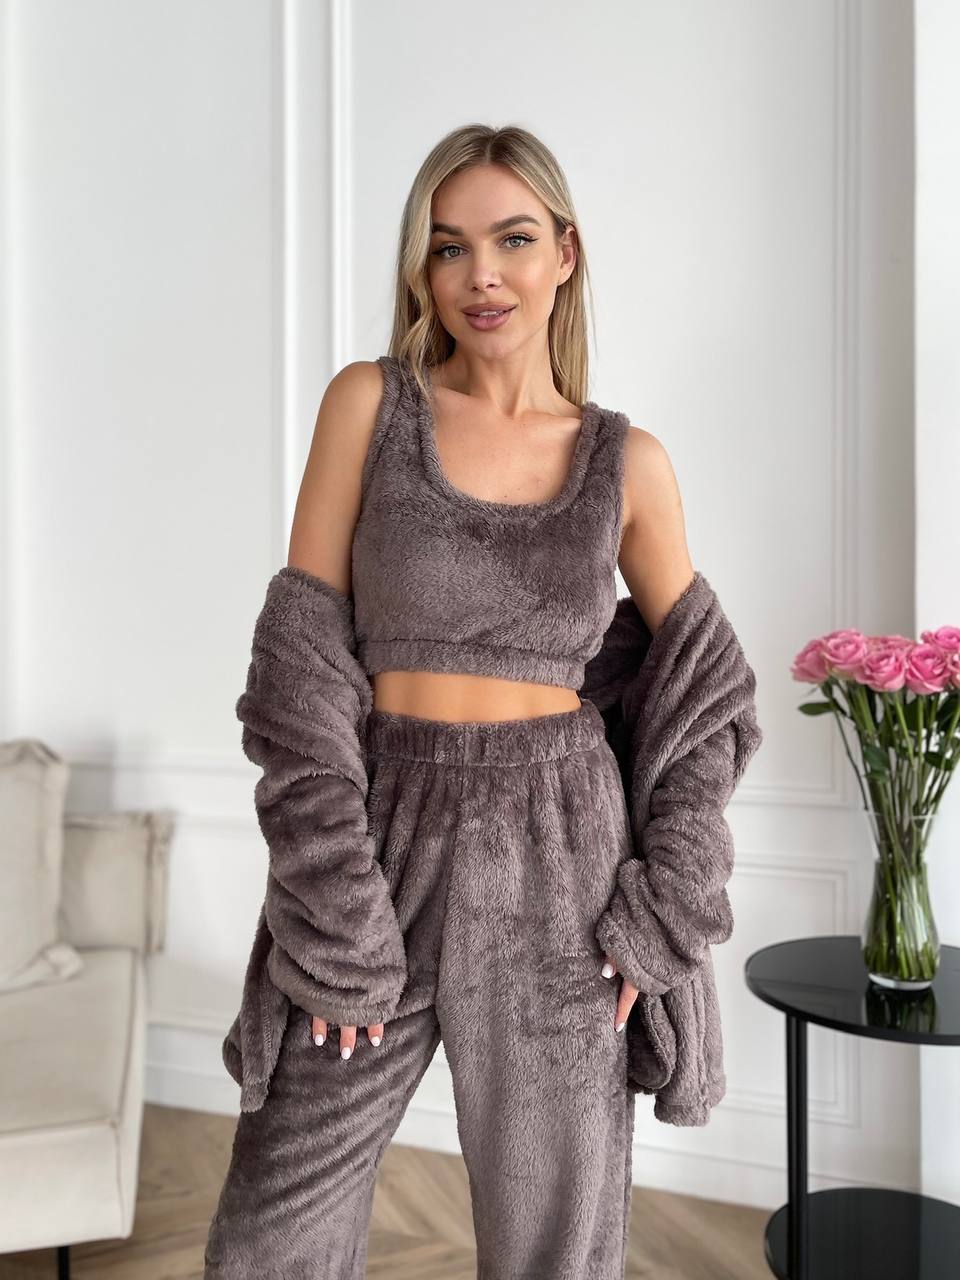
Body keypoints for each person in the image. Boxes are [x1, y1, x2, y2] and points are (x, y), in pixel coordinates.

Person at [204, 122, 696, 1280]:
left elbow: (702, 691)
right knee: (273, 1227)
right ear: (420, 270)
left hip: (563, 859)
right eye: (448, 246)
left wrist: (664, 901)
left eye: (513, 239)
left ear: (564, 253)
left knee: (553, 1245)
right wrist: (332, 901)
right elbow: (301, 660)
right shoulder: (369, 407)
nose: (482, 274)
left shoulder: (629, 462)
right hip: (381, 829)